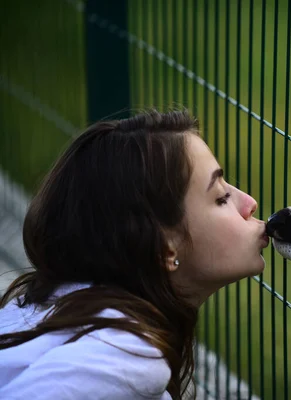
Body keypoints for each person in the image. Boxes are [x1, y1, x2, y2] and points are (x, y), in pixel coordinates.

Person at [0, 109, 269, 399]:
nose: (249, 203)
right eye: (221, 198)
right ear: (166, 248)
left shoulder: (56, 307)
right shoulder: (127, 356)